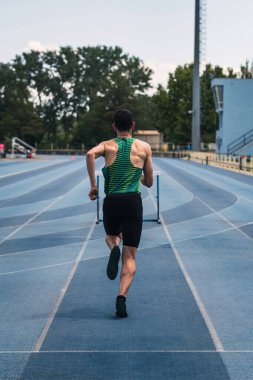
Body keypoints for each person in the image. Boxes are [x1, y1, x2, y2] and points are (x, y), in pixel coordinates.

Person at [86, 109, 153, 318]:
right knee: (130, 256)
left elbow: (89, 154)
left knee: (111, 236)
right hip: (133, 202)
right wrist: (138, 175)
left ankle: (114, 247)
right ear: (132, 125)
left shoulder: (107, 145)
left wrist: (94, 186)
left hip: (112, 201)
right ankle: (121, 297)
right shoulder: (144, 147)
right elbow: (149, 182)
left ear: (114, 126)